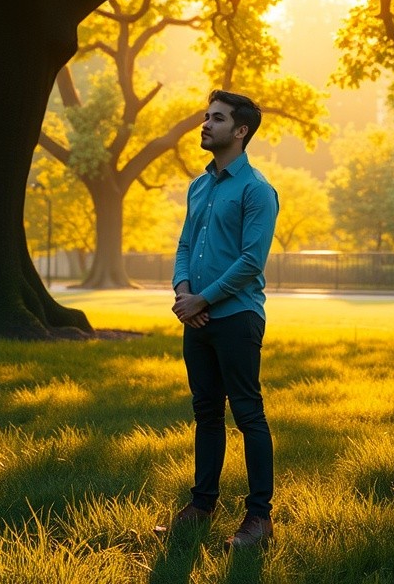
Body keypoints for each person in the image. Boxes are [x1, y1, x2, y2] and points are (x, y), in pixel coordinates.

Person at [166, 89, 279, 551]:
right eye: (206, 116)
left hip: (237, 317)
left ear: (240, 131)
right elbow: (184, 247)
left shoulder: (257, 189)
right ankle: (201, 506)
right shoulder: (198, 186)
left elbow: (251, 261)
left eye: (217, 118)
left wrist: (204, 299)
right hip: (198, 319)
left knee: (247, 413)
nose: (206, 124)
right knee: (206, 412)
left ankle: (258, 518)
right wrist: (183, 292)